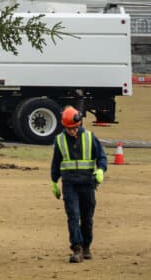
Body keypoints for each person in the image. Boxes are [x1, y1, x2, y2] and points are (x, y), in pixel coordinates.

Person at [50, 106, 107, 263]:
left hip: (87, 184)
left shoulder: (90, 137)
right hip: (69, 185)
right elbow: (56, 162)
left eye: (75, 128)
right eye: (69, 129)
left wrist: (101, 170)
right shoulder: (60, 140)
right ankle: (77, 248)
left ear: (80, 124)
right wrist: (54, 181)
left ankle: (86, 246)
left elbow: (102, 157)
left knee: (87, 217)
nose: (72, 131)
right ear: (64, 126)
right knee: (73, 216)